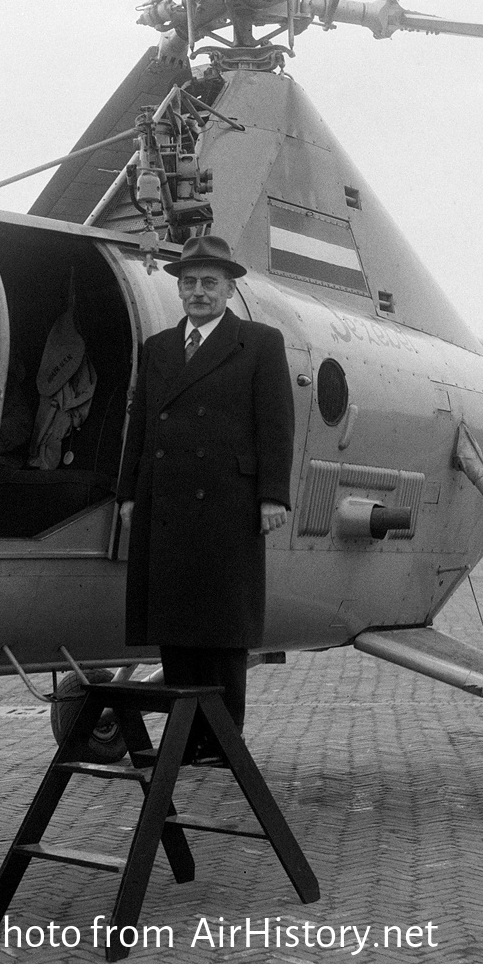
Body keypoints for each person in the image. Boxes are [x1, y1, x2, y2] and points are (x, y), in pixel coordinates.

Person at [116, 235, 295, 763]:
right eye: (189, 283)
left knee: (222, 627)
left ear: (229, 288)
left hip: (229, 502)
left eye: (209, 283)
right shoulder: (159, 348)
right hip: (166, 501)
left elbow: (276, 426)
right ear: (179, 288)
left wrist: (272, 496)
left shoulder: (260, 342)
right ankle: (186, 736)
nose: (198, 292)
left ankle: (222, 739)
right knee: (175, 625)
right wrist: (129, 493)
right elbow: (142, 426)